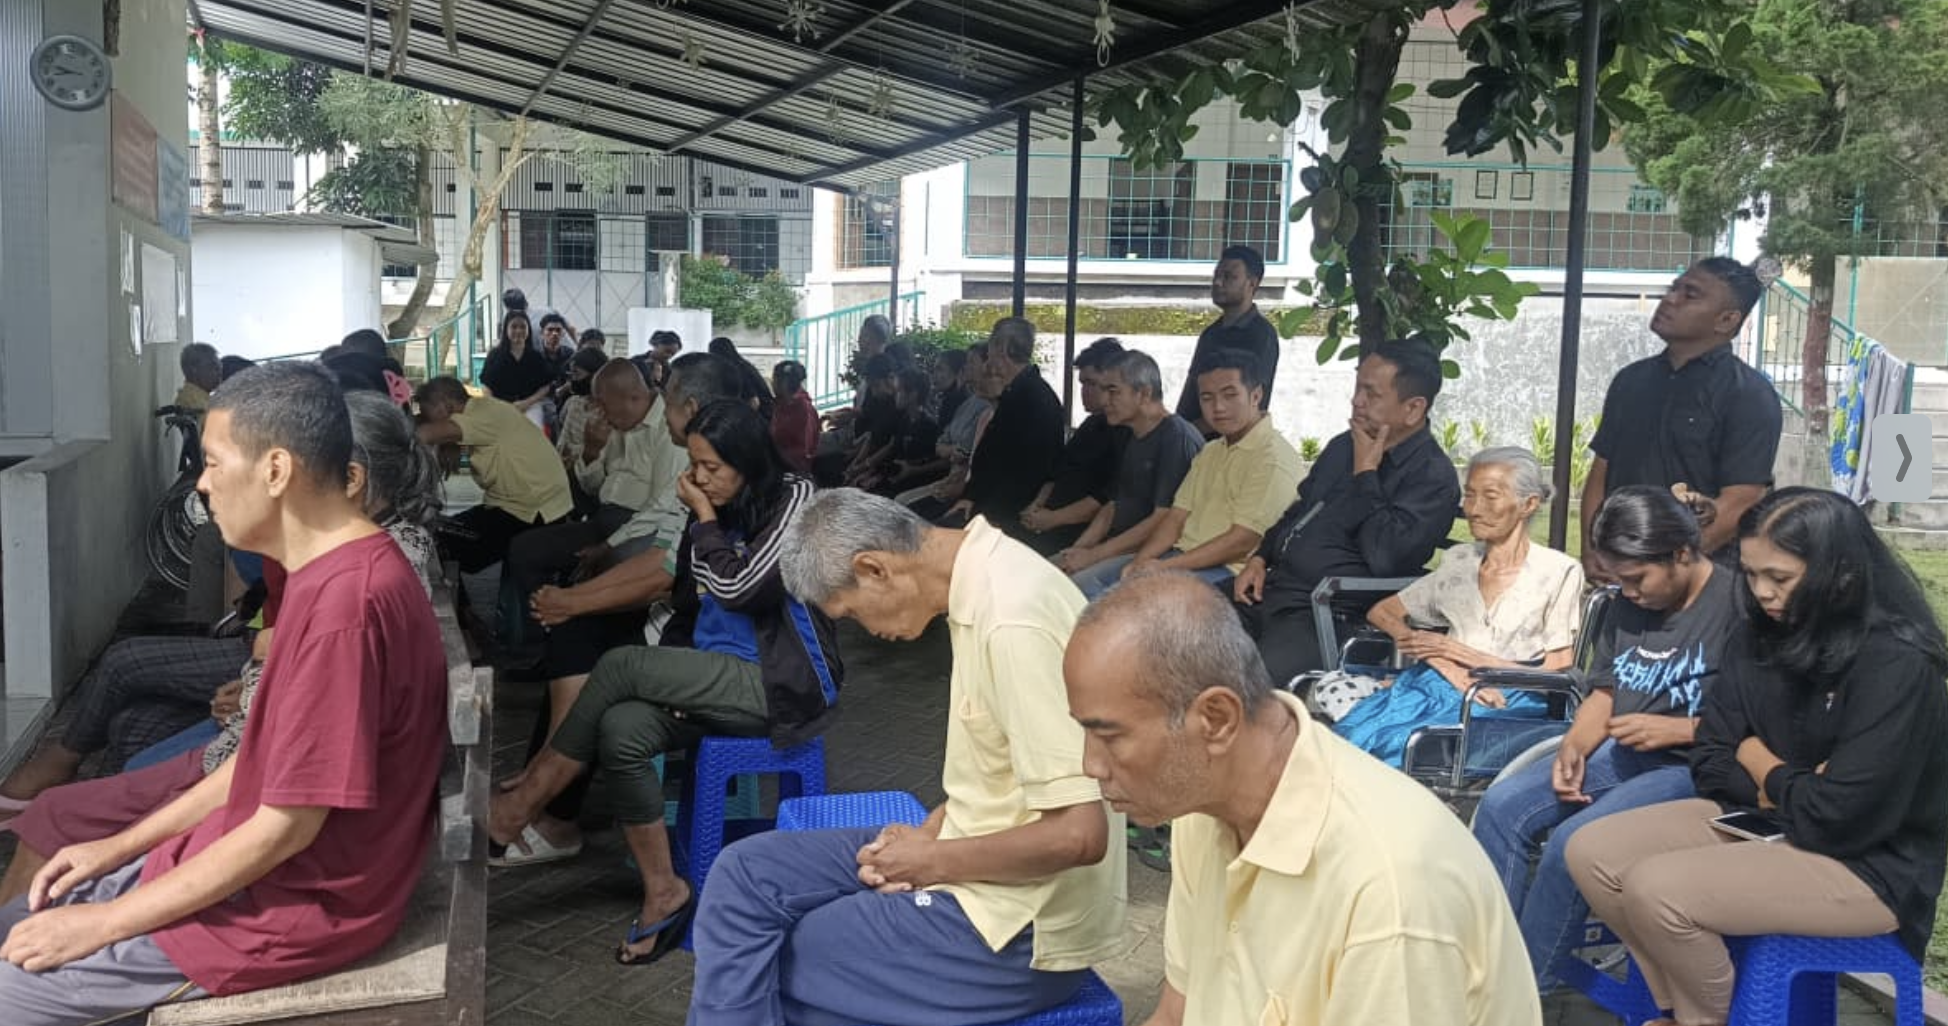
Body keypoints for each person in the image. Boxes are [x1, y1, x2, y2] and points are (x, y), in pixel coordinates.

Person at [0, 363, 446, 1025]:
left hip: (280, 911)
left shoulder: (346, 608)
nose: (203, 484)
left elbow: (287, 826)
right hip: (240, 873)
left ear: (276, 470)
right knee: (21, 917)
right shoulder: (331, 572)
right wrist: (114, 849)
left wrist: (104, 923)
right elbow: (250, 768)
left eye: (212, 462)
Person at [687, 488, 1124, 1026]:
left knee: (779, 956)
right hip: (971, 862)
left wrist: (930, 861)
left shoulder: (1013, 620)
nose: (869, 631)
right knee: (743, 876)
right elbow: (1006, 775)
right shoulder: (981, 578)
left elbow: (1080, 835)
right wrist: (930, 832)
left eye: (852, 614)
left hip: (1019, 930)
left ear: (874, 569)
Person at [1063, 574, 1541, 1026]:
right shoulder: (1201, 809)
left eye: (1110, 736)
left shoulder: (1389, 890)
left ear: (1216, 719)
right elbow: (1177, 1014)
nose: (1090, 765)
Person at [1567, 488, 1948, 1026]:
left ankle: (1702, 1018)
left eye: (1780, 578)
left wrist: (1759, 759)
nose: (1762, 592)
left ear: (1839, 574)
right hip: (1763, 821)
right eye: (1749, 574)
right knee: (1591, 851)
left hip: (1868, 864)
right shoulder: (1759, 635)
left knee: (1659, 888)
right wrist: (1791, 783)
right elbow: (1712, 759)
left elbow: (1839, 816)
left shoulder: (1896, 664)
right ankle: (1680, 1007)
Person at [488, 401, 839, 960]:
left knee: (620, 665)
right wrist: (702, 518)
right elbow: (688, 595)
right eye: (693, 464)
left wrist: (703, 516)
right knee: (622, 729)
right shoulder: (713, 504)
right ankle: (664, 890)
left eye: (711, 467)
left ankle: (526, 800)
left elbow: (740, 589)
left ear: (749, 461)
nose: (698, 478)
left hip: (777, 683)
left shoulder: (794, 498)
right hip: (711, 673)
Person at [1472, 484, 1738, 996]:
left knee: (1573, 844)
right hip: (1625, 753)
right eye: (1618, 581)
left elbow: (1762, 724)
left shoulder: (1735, 608)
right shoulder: (1627, 605)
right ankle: (1484, 964)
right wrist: (1575, 746)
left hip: (1694, 767)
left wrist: (1680, 729)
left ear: (1682, 554)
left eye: (1637, 579)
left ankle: (1525, 991)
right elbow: (1607, 690)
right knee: (1502, 807)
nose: (1629, 593)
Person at [1328, 448, 1583, 764]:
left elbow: (1558, 668)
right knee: (1346, 740)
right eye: (1470, 495)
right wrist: (1442, 660)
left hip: (1507, 697)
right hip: (1438, 682)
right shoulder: (1460, 561)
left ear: (1528, 504)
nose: (1473, 509)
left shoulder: (1559, 571)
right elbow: (1382, 612)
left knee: (1393, 747)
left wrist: (1464, 655)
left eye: (1490, 496)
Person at [1234, 337, 1460, 685]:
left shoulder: (1431, 476)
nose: (1357, 401)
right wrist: (1260, 558)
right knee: (1171, 626)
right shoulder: (1345, 445)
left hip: (1329, 611)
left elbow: (1387, 558)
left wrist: (1366, 474)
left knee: (1250, 684)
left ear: (1413, 409)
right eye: (1357, 388)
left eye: (1371, 393)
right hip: (1272, 591)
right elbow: (1300, 510)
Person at [1580, 258, 1780, 576]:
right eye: (1674, 288)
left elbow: (1741, 499)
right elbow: (1601, 472)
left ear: (1726, 320)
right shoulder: (1630, 380)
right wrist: (1593, 549)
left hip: (1698, 576)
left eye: (1690, 294)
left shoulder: (1748, 395)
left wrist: (1669, 565)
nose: (1670, 299)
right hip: (1618, 568)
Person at [1069, 348, 1300, 599]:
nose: (1218, 407)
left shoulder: (1272, 458)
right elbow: (1176, 518)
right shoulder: (1212, 450)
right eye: (1207, 398)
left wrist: (1162, 567)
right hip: (1178, 557)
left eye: (1230, 395)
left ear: (1255, 395)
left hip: (1227, 571)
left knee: (1117, 603)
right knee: (1079, 587)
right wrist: (1141, 562)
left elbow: (1241, 541)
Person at [503, 360, 686, 660]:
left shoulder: (668, 427)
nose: (597, 410)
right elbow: (592, 489)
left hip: (641, 529)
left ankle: (586, 652)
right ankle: (540, 645)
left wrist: (607, 545)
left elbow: (661, 507)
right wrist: (591, 451)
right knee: (525, 548)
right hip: (604, 519)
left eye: (602, 402)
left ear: (633, 397)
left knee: (609, 568)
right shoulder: (615, 422)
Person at [1056, 349, 1204, 580]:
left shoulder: (1176, 438)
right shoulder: (1132, 434)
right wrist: (1077, 551)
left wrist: (1093, 556)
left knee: (1078, 585)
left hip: (1152, 556)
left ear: (1144, 393)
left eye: (1113, 391)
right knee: (1049, 571)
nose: (1104, 400)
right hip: (1114, 547)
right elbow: (1113, 506)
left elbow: (1163, 518)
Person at [415, 376, 574, 573]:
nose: (426, 419)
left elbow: (424, 434)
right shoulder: (484, 414)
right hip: (521, 503)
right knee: (445, 531)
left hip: (534, 509)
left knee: (443, 541)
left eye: (427, 414)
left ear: (443, 406)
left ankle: (454, 592)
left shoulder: (481, 413)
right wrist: (454, 452)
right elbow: (467, 461)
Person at [942, 318, 1065, 530]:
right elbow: (991, 455)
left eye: (990, 349)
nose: (988, 359)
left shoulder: (1035, 399)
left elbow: (1029, 471)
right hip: (985, 503)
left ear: (1002, 349)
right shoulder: (1016, 393)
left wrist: (985, 514)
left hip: (1004, 514)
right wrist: (970, 496)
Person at [1017, 338, 1128, 555]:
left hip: (1078, 534)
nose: (1084, 391)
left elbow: (1107, 498)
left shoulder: (1127, 432)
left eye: (1091, 384)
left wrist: (1052, 519)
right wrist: (1037, 506)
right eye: (1082, 384)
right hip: (1046, 519)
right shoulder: (1091, 424)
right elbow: (1056, 472)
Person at [1174, 245, 1281, 437]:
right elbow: (1191, 390)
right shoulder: (1211, 333)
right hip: (1193, 440)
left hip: (1233, 442)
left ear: (1252, 283)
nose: (1218, 283)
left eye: (1229, 277)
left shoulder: (1261, 335)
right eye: (1216, 276)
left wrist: (1191, 431)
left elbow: (1250, 405)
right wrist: (1179, 430)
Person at [848, 366, 941, 496]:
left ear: (913, 394)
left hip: (912, 480)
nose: (895, 395)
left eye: (899, 391)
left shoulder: (928, 425)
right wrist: (872, 472)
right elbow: (893, 450)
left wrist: (878, 476)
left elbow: (921, 461)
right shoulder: (905, 419)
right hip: (896, 473)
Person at [482, 311, 557, 430]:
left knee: (534, 431)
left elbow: (545, 386)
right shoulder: (494, 355)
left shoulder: (536, 357)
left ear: (528, 330)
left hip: (530, 406)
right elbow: (486, 386)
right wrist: (497, 407)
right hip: (500, 406)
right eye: (514, 326)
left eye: (523, 327)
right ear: (506, 329)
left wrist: (526, 403)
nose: (518, 330)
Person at [707, 336, 776, 424]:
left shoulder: (736, 370)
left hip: (762, 416)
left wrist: (740, 423)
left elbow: (754, 402)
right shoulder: (741, 364)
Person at [769, 360, 819, 475]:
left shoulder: (803, 409)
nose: (772, 383)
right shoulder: (780, 405)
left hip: (794, 472)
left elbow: (805, 449)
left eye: (774, 379)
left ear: (784, 383)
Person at [174, 343, 222, 417]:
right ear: (194, 369)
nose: (219, 373)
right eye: (213, 367)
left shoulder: (201, 400)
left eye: (219, 368)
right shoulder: (192, 401)